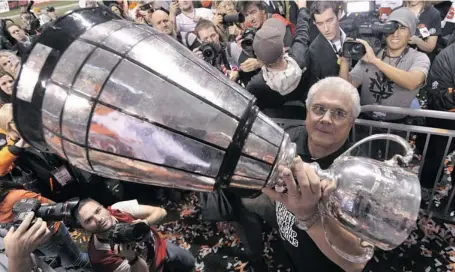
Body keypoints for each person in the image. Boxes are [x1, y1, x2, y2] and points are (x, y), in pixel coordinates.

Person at [339, 7, 430, 122]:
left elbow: (413, 82)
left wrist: (376, 61)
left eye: (402, 28)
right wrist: (345, 60)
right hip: (366, 123)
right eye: (391, 28)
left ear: (410, 34)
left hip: (398, 125)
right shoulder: (371, 53)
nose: (395, 34)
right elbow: (347, 87)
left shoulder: (418, 58)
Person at [76, 198, 196, 271]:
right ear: (84, 228)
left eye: (98, 211)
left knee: (189, 263)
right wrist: (132, 258)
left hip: (162, 248)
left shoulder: (118, 209)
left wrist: (145, 222)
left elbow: (161, 212)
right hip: (150, 269)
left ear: (103, 207)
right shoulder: (101, 257)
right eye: (88, 220)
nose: (98, 219)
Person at [246, 0, 310, 119]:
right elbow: (302, 32)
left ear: (259, 59)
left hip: (273, 125)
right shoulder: (299, 57)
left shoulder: (256, 84)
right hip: (302, 115)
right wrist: (302, 8)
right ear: (283, 48)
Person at [420, 43, 455, 191]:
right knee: (434, 159)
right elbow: (437, 98)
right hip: (445, 123)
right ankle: (426, 191)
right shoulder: (447, 56)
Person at [307, 1, 345, 90]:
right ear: (314, 23)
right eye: (320, 23)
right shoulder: (314, 51)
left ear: (339, 15)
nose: (326, 29)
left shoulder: (356, 35)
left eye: (329, 20)